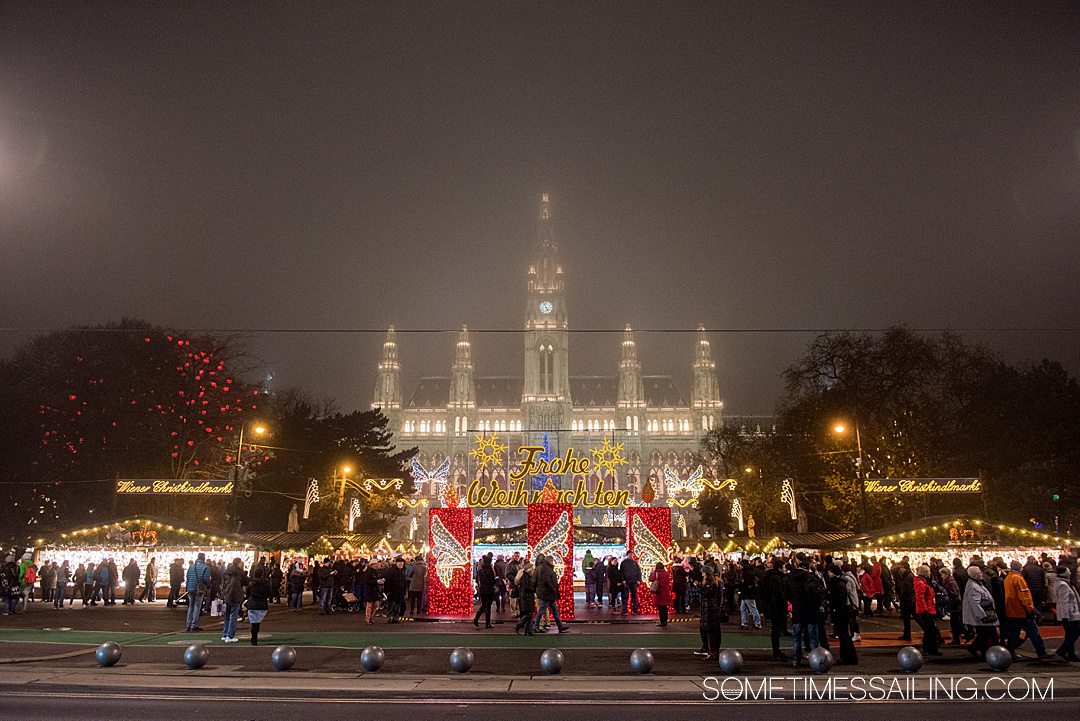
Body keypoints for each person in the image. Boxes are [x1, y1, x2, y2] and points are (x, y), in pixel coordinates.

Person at [1003, 559, 1051, 659]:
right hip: (1022, 611)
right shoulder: (1019, 579)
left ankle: (1010, 650)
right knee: (1033, 631)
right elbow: (1024, 596)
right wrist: (1031, 609)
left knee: (1015, 633)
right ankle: (1041, 652)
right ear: (1020, 568)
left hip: (1012, 610)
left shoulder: (1008, 578)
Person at [787, 556, 824, 667]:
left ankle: (796, 659)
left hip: (797, 610)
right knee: (813, 637)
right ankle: (815, 660)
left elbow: (786, 594)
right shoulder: (812, 578)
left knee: (797, 637)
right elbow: (820, 594)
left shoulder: (791, 578)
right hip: (811, 611)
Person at [963, 565, 999, 660]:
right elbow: (975, 603)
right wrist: (982, 615)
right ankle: (984, 652)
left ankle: (978, 649)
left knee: (985, 635)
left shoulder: (976, 584)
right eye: (978, 572)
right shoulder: (974, 586)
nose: (980, 573)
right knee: (987, 635)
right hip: (983, 614)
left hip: (984, 613)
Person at [827, 564, 857, 665]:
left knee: (843, 635)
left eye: (830, 571)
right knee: (844, 635)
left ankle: (847, 657)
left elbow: (838, 599)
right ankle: (849, 656)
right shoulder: (841, 582)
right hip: (843, 610)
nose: (828, 573)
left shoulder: (837, 583)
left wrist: (834, 608)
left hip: (840, 611)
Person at [761, 556, 788, 661]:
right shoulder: (776, 579)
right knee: (776, 630)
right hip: (776, 607)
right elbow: (777, 594)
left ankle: (777, 651)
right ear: (779, 568)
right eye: (784, 567)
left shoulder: (772, 577)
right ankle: (776, 652)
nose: (785, 569)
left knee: (776, 630)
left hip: (773, 607)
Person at [534, 554, 570, 633]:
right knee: (543, 610)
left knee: (553, 610)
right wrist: (553, 589)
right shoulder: (547, 569)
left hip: (547, 593)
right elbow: (547, 581)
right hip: (548, 594)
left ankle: (560, 626)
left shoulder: (544, 568)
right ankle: (536, 626)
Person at [1052, 567, 1080, 661]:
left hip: (1071, 612)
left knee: (1069, 634)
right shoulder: (1063, 585)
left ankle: (1071, 654)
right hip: (1070, 614)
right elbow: (1064, 602)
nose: (1071, 573)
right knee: (1075, 633)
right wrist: (1065, 617)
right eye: (1069, 572)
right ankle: (1061, 651)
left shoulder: (1064, 583)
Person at [913, 565, 941, 656]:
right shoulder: (921, 583)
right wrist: (925, 610)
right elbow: (920, 598)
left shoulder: (923, 582)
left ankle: (928, 648)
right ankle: (931, 649)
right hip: (926, 610)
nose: (930, 573)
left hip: (928, 608)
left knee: (929, 630)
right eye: (928, 571)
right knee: (931, 630)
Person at [221, 558, 247, 643]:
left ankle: (225, 634)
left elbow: (223, 582)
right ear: (239, 563)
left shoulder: (227, 571)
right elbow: (245, 582)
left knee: (227, 615)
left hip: (227, 594)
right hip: (235, 595)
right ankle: (230, 635)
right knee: (233, 616)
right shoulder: (239, 572)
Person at [699, 571, 724, 660]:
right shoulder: (716, 584)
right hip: (712, 611)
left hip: (710, 612)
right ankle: (714, 651)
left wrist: (699, 586)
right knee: (714, 632)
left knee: (711, 633)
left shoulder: (709, 585)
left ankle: (713, 652)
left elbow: (705, 593)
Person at [185, 553, 211, 632]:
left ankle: (188, 624)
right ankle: (194, 625)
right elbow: (206, 579)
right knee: (197, 606)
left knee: (191, 606)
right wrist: (208, 585)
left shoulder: (191, 566)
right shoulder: (206, 567)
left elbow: (187, 577)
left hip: (190, 588)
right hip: (199, 589)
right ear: (204, 558)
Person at [246, 566, 271, 646]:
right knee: (257, 622)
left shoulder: (251, 583)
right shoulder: (266, 582)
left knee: (254, 622)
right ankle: (254, 636)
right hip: (262, 604)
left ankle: (254, 637)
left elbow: (247, 593)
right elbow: (270, 592)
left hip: (253, 604)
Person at [940, 567, 965, 645]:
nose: (941, 576)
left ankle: (957, 639)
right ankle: (958, 638)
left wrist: (947, 598)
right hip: (955, 605)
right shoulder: (950, 581)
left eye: (942, 574)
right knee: (955, 623)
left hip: (955, 606)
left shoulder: (950, 582)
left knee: (954, 623)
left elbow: (954, 595)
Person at [473, 554, 496, 628]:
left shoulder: (480, 570)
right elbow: (493, 581)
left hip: (482, 590)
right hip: (489, 590)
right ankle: (487, 623)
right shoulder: (490, 570)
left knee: (483, 605)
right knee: (488, 606)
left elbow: (478, 579)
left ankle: (476, 619)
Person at [514, 559, 536, 635]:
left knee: (529, 614)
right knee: (528, 614)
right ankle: (519, 625)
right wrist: (534, 589)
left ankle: (529, 631)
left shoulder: (526, 576)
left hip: (526, 597)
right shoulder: (525, 577)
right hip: (527, 597)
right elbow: (527, 588)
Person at [738, 562, 762, 630]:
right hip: (747, 594)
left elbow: (746, 584)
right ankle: (744, 623)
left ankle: (757, 624)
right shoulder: (748, 574)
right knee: (744, 609)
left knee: (752, 609)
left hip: (748, 594)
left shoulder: (747, 575)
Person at [648, 561, 673, 627]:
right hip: (665, 591)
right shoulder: (666, 573)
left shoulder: (656, 573)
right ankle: (665, 621)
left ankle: (662, 621)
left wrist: (653, 572)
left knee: (660, 608)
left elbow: (650, 579)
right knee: (664, 607)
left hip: (658, 592)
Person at [895, 562, 915, 641]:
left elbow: (909, 590)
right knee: (907, 619)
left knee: (914, 618)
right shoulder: (906, 576)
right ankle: (906, 633)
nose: (900, 569)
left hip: (907, 601)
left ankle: (907, 634)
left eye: (901, 568)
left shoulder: (909, 577)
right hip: (906, 600)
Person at [385, 557, 407, 623]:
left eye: (402, 564)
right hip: (392, 591)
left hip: (400, 591)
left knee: (398, 606)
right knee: (391, 605)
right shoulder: (391, 570)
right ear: (396, 563)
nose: (401, 565)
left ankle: (395, 618)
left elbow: (404, 581)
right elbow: (387, 581)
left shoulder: (403, 571)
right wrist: (387, 591)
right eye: (399, 563)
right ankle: (389, 618)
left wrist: (404, 591)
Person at [362, 559, 382, 624]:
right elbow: (367, 581)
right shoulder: (368, 571)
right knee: (369, 605)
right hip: (369, 590)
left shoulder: (375, 571)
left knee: (376, 604)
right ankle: (368, 618)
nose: (378, 565)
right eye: (377, 563)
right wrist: (376, 582)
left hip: (374, 590)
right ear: (373, 565)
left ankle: (370, 616)